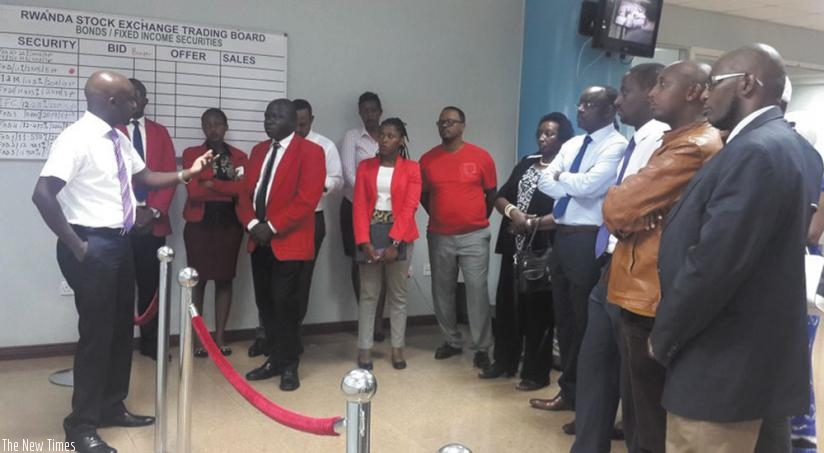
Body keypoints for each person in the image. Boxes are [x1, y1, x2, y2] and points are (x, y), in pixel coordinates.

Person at [650, 44, 823, 452]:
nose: (705, 95)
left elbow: (715, 266)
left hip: (723, 363)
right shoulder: (788, 146)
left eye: (713, 84)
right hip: (758, 362)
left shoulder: (755, 152)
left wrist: (665, 335)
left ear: (747, 83)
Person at [31, 70, 212, 453]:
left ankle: (111, 406)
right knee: (97, 336)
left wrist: (185, 173)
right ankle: (80, 425)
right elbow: (43, 194)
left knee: (117, 333)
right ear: (111, 102)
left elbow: (144, 175)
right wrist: (78, 246)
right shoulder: (76, 139)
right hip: (90, 244)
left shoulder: (119, 138)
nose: (136, 105)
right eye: (130, 99)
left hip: (120, 242)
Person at [602, 60, 723, 453]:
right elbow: (625, 216)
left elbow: (619, 207)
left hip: (650, 296)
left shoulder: (694, 146)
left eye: (663, 84)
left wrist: (626, 213)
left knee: (651, 417)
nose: (652, 93)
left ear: (693, 93)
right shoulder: (673, 141)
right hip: (637, 287)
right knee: (639, 408)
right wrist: (629, 216)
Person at [552, 63, 669, 452]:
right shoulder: (637, 140)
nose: (619, 101)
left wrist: (612, 203)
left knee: (633, 382)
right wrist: (611, 202)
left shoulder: (660, 142)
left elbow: (618, 205)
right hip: (611, 260)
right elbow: (562, 185)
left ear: (653, 95)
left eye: (626, 92)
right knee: (594, 364)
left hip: (636, 267)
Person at [532, 86, 627, 412]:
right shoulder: (573, 143)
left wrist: (562, 176)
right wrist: (566, 177)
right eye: (580, 102)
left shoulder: (616, 146)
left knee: (587, 324)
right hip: (562, 236)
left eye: (589, 104)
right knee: (566, 320)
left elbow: (590, 187)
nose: (580, 108)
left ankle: (589, 402)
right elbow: (545, 181)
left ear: (609, 109)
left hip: (588, 240)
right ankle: (569, 392)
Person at [479, 112, 574, 391]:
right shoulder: (527, 162)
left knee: (539, 313)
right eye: (541, 132)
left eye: (550, 133)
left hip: (543, 249)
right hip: (513, 245)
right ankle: (503, 362)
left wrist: (531, 223)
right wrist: (513, 213)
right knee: (508, 306)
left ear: (564, 138)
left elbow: (567, 211)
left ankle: (535, 373)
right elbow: (500, 196)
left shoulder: (566, 170)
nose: (543, 138)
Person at [239, 99, 325, 392]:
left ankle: (289, 366)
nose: (269, 121)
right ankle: (274, 360)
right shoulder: (258, 151)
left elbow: (307, 199)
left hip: (289, 242)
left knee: (285, 305)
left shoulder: (311, 152)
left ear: (292, 119)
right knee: (265, 304)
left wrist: (271, 227)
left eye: (276, 116)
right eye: (267, 116)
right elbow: (244, 196)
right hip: (258, 241)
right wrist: (253, 226)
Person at [420, 106, 497, 370]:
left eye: (451, 122)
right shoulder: (427, 160)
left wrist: (471, 218)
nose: (445, 127)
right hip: (440, 235)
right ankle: (451, 341)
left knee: (476, 290)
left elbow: (491, 195)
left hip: (474, 236)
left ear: (463, 126)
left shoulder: (481, 157)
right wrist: (444, 216)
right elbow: (424, 197)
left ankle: (482, 347)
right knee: (442, 291)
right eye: (441, 122)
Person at [352, 118, 421, 370]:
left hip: (399, 234)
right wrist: (363, 241)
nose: (384, 139)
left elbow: (409, 206)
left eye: (391, 135)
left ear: (401, 140)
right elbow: (359, 206)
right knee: (369, 294)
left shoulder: (412, 168)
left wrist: (395, 242)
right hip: (370, 233)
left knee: (398, 296)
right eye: (382, 135)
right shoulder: (365, 167)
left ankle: (397, 349)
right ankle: (365, 349)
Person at [117, 78, 176, 360]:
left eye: (137, 96)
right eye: (128, 96)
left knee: (153, 286)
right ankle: (119, 345)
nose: (133, 101)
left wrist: (152, 212)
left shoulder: (160, 133)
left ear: (145, 102)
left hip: (153, 223)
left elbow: (167, 177)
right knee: (119, 286)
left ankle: (152, 344)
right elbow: (107, 180)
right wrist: (130, 213)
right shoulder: (110, 132)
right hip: (119, 225)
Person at [182, 108, 248, 357]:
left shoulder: (239, 156)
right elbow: (195, 192)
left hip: (230, 225)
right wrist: (225, 188)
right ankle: (199, 338)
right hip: (199, 225)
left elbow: (243, 190)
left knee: (225, 280)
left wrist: (212, 184)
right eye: (208, 125)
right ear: (202, 128)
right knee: (198, 282)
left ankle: (219, 336)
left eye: (218, 124)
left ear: (226, 127)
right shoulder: (192, 154)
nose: (213, 129)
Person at [338, 92, 391, 341]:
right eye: (364, 111)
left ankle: (378, 321)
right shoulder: (351, 137)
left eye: (373, 110)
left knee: (381, 262)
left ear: (380, 111)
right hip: (354, 207)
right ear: (360, 113)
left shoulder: (389, 137)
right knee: (359, 263)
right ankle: (365, 318)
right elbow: (349, 174)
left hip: (384, 210)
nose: (369, 114)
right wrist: (373, 194)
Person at [293, 99, 344, 329]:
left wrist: (314, 185)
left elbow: (337, 180)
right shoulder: (278, 144)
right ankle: (269, 334)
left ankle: (294, 334)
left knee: (302, 280)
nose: (298, 129)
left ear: (311, 120)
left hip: (312, 218)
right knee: (276, 279)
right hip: (278, 220)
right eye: (294, 124)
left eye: (303, 124)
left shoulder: (325, 146)